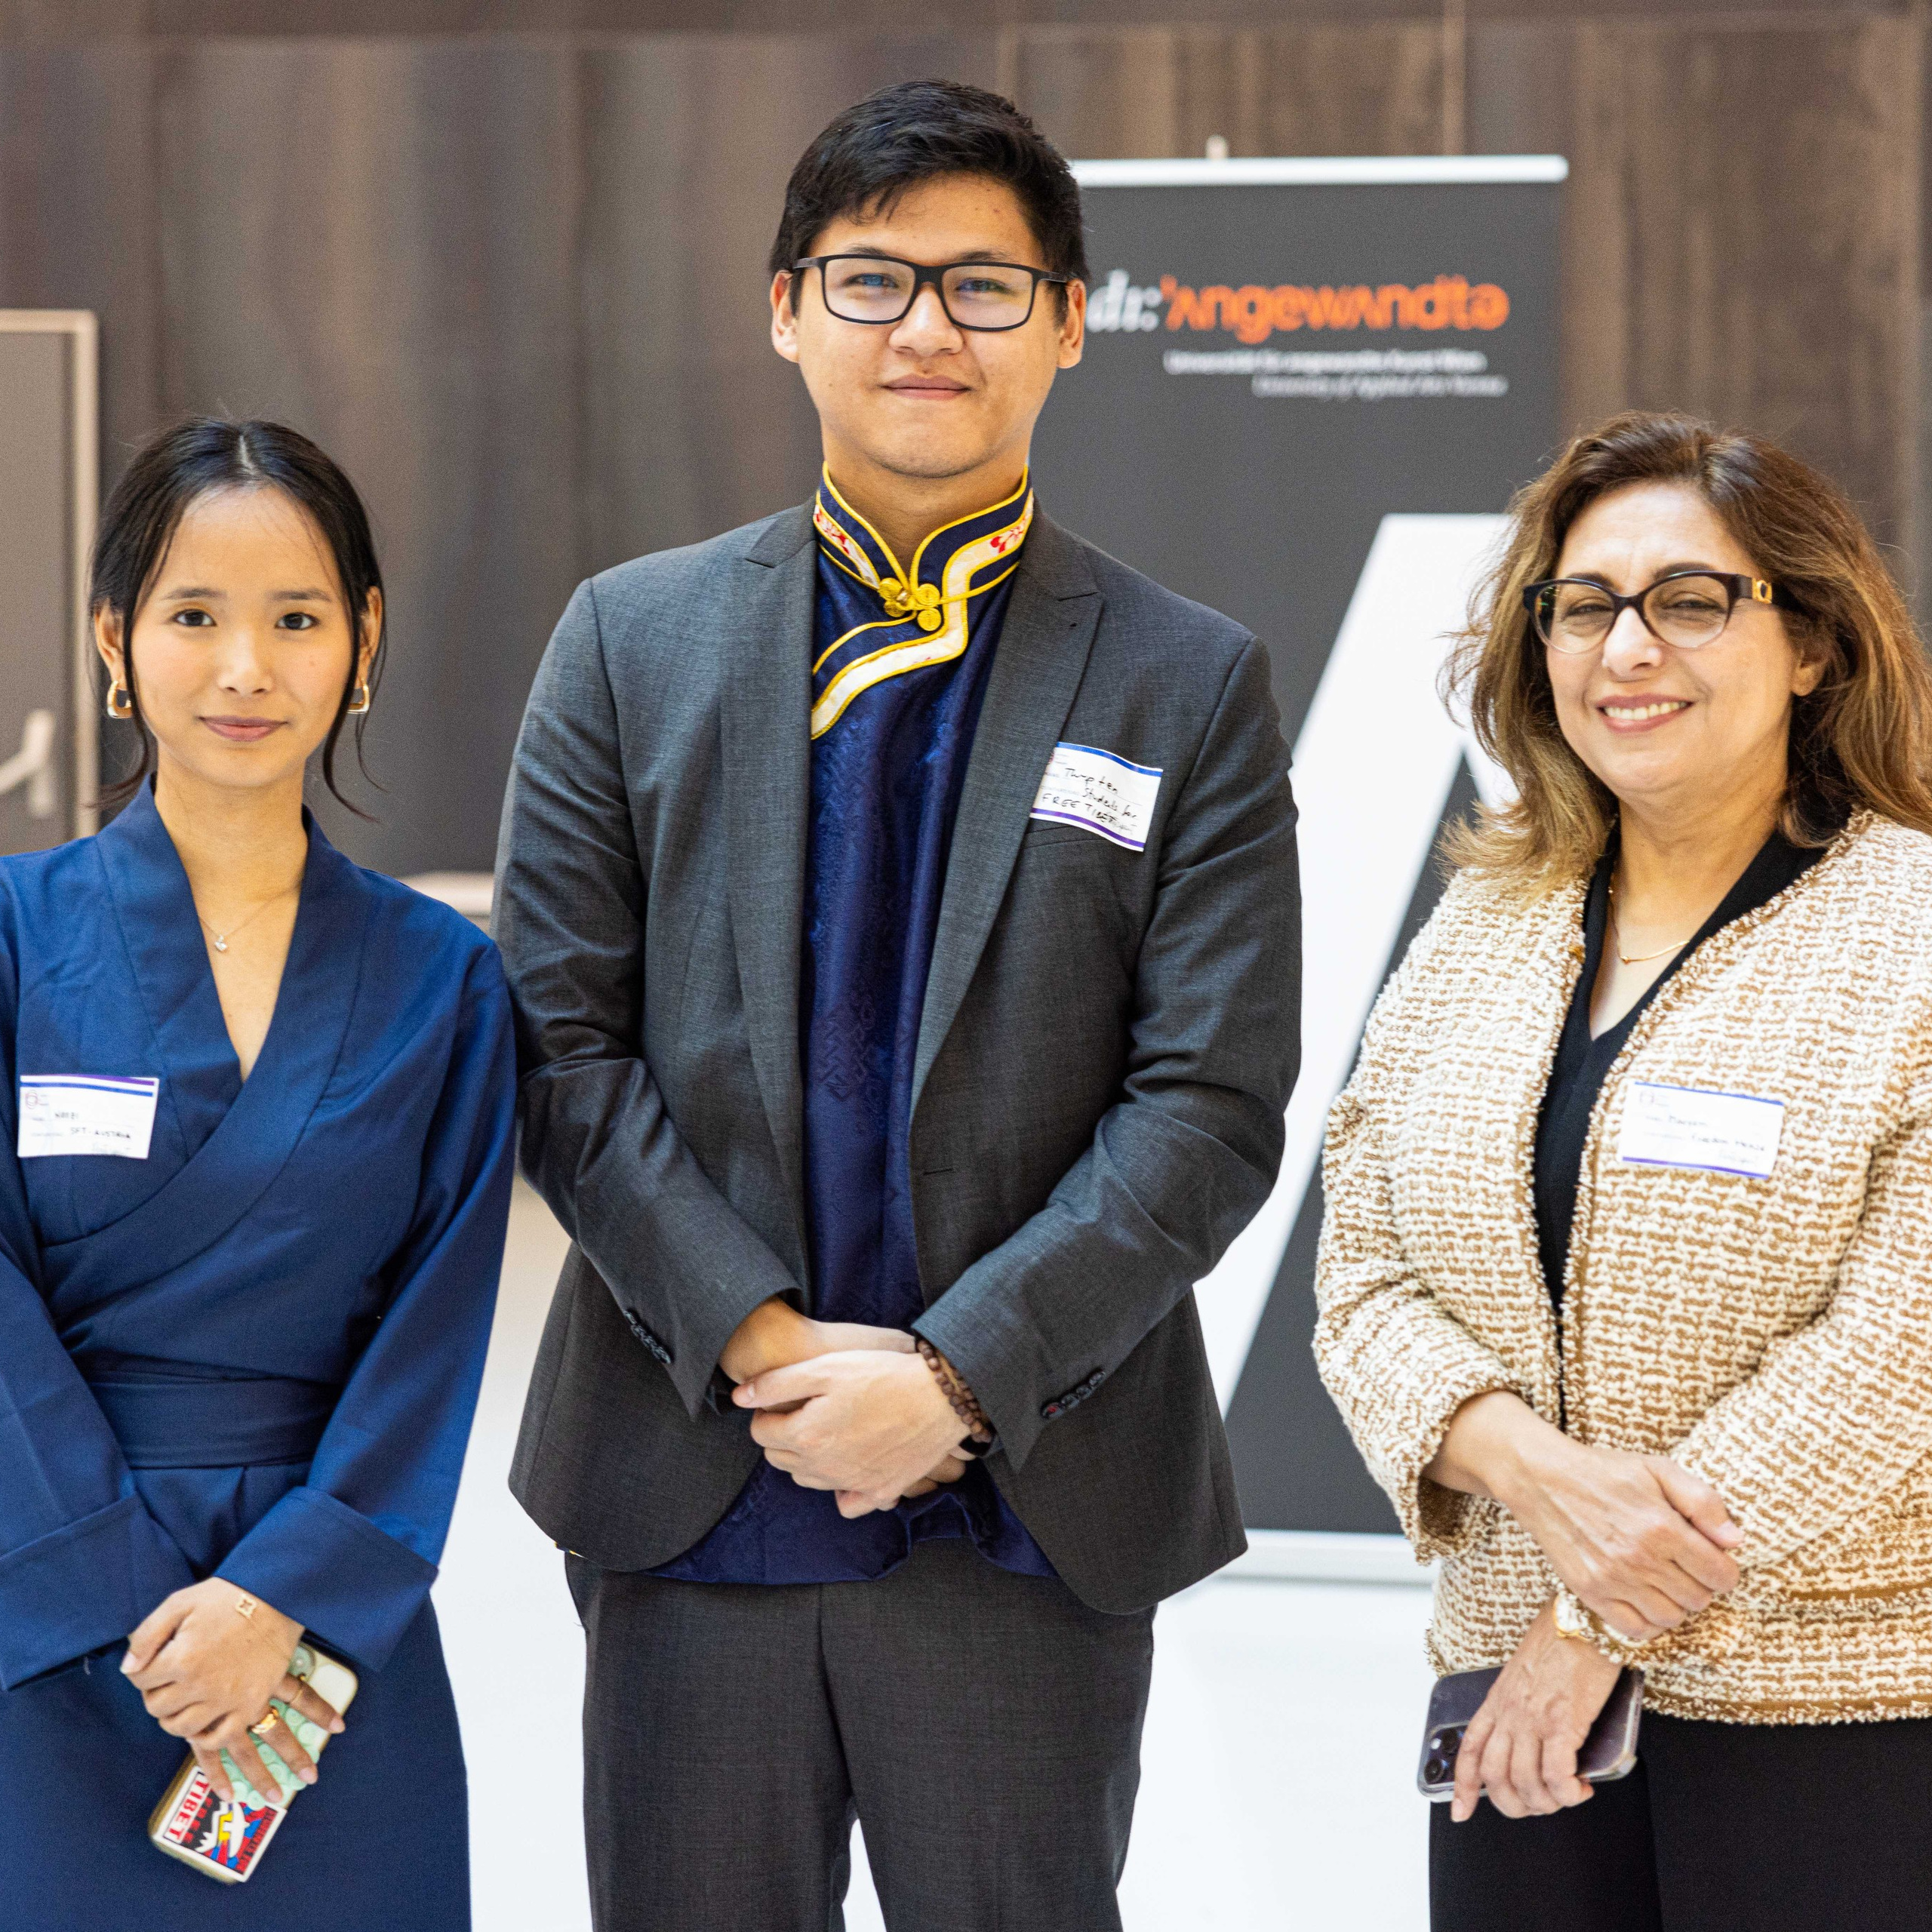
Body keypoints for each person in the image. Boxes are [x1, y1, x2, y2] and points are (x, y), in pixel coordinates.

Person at [496, 78, 1300, 1931]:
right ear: (785, 309)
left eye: (983, 285)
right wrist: (767, 1340)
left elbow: (1210, 1102)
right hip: (697, 1473)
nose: (925, 326)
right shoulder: (627, 642)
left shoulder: (1186, 680)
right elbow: (560, 1047)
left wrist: (951, 1377)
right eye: (870, 279)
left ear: (1070, 323)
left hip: (1024, 1501)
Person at [1315, 410, 1932, 1930]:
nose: (1623, 647)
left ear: (1808, 642)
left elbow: (1892, 1352)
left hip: (1832, 1701)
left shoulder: (1907, 924)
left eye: (1689, 598)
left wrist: (1593, 1611)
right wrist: (1534, 1475)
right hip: (1507, 1695)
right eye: (1581, 605)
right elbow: (1360, 1267)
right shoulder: (1488, 916)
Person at [0, 417, 516, 1930]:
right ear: (114, 638)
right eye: (193, 616)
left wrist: (278, 1600)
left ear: (363, 641)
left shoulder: (446, 982)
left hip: (327, 1650)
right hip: (46, 1615)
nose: (244, 668)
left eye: (295, 619)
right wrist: (130, 1598)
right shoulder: (14, 937)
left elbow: (435, 1336)